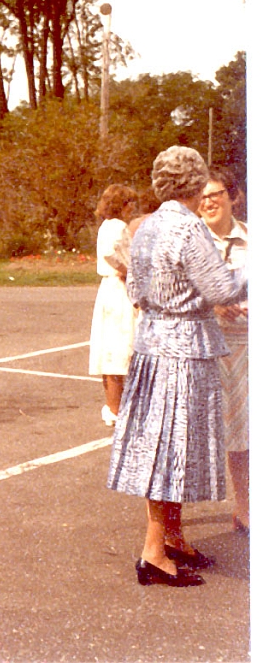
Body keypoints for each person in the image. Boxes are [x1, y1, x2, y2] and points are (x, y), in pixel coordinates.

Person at [107, 146, 246, 587]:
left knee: (163, 445)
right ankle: (154, 553)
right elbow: (222, 288)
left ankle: (173, 537)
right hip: (185, 350)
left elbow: (135, 289)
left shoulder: (145, 228)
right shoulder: (189, 229)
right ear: (195, 182)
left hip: (150, 346)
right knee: (173, 450)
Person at [199, 167, 249, 535]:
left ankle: (245, 508)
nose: (209, 201)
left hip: (249, 345)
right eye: (202, 196)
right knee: (197, 436)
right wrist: (213, 305)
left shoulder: (253, 238)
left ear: (233, 196)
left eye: (216, 193)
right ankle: (170, 525)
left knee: (245, 434)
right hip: (206, 347)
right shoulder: (193, 240)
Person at [88, 184, 138, 426]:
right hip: (118, 290)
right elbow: (110, 253)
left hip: (108, 290)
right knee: (119, 350)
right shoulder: (118, 226)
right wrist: (126, 270)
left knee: (110, 352)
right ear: (123, 205)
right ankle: (117, 409)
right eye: (130, 204)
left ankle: (114, 406)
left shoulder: (106, 226)